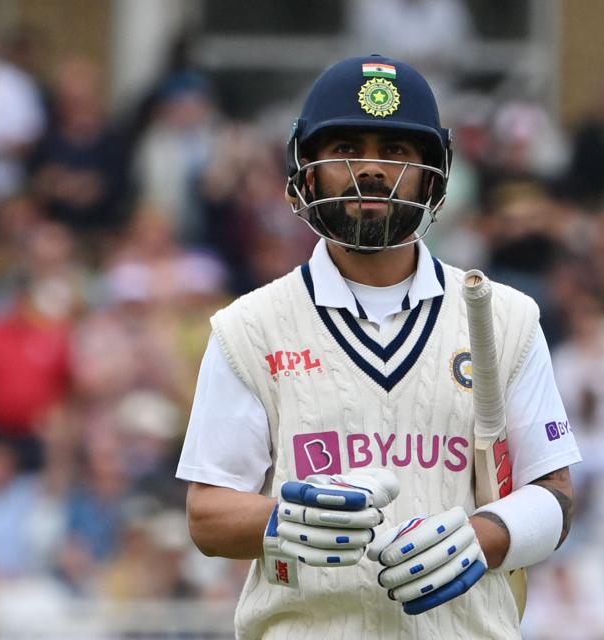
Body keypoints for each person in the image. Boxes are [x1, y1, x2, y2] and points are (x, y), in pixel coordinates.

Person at [176, 55, 581, 639]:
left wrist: (482, 538)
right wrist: (287, 518)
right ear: (306, 171)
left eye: (396, 152)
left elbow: (556, 497)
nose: (370, 170)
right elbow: (208, 514)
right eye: (345, 149)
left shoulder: (504, 318)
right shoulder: (251, 326)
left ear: (433, 175)